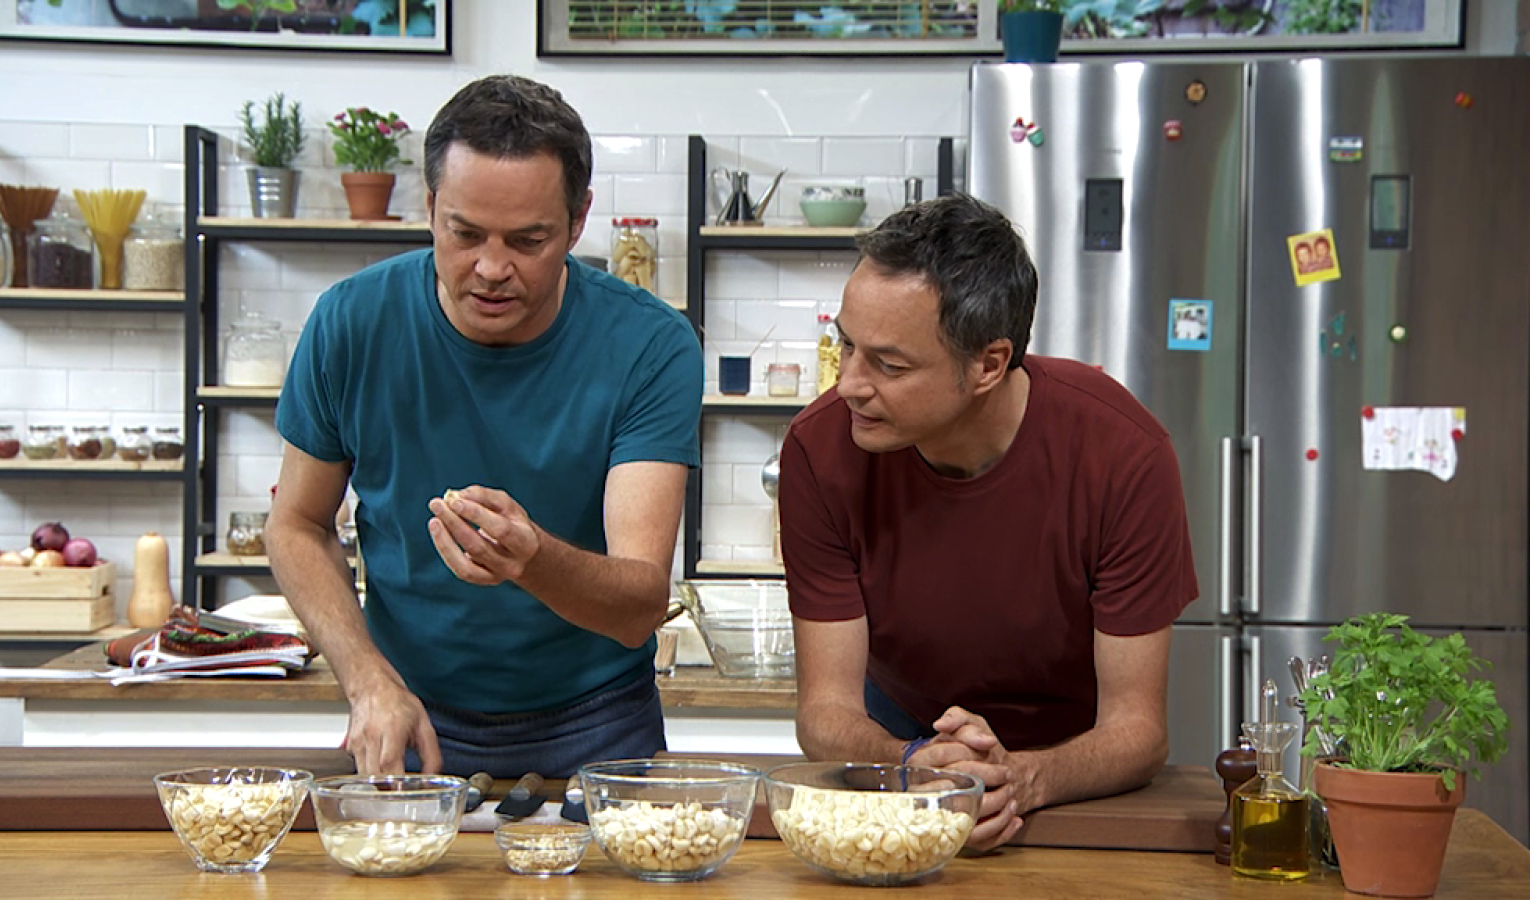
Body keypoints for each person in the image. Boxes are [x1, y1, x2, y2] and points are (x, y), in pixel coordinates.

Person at [266, 74, 703, 779]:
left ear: (578, 219)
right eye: (465, 234)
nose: (492, 269)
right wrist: (367, 679)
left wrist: (531, 560)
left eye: (529, 241)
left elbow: (637, 606)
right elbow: (296, 525)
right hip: (410, 712)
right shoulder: (352, 321)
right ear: (431, 206)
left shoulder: (651, 345)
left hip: (598, 721)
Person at [778, 193, 1197, 852]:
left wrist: (1018, 780)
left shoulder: (1123, 455)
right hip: (901, 736)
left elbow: (1137, 731)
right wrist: (912, 763)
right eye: (846, 346)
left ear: (988, 365)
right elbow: (826, 714)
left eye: (888, 365)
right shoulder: (818, 451)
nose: (850, 385)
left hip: (1075, 756)